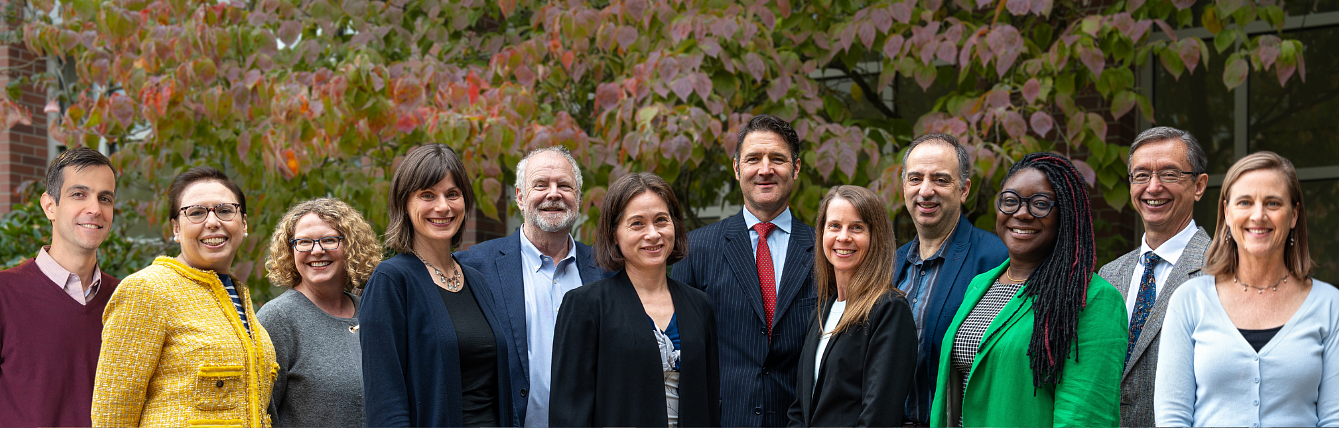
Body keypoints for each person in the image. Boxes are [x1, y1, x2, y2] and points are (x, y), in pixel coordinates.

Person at [930, 153, 1126, 426]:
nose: (1022, 213)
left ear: (1066, 215)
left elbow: (1085, 417)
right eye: (1010, 201)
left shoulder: (1092, 297)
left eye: (1040, 204)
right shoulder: (980, 285)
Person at [1154, 151, 1338, 427]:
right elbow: (1173, 418)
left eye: (1273, 203)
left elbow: (1334, 418)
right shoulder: (1189, 301)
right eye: (1245, 202)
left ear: (1294, 215)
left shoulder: (1330, 305)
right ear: (1227, 213)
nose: (1259, 215)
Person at [92, 166, 277, 426]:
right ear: (176, 228)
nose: (213, 222)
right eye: (197, 212)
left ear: (243, 223)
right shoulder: (148, 289)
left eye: (225, 210)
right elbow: (112, 413)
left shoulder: (237, 294)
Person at [670, 114, 814, 427]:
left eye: (777, 158)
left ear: (796, 168)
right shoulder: (694, 250)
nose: (765, 169)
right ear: (737, 169)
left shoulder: (825, 252)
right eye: (753, 159)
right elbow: (678, 350)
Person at [359, 143, 517, 427]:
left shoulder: (476, 280)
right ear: (405, 205)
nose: (442, 206)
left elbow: (499, 392)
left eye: (452, 194)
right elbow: (386, 405)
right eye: (427, 195)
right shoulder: (391, 281)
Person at [455, 146, 614, 427]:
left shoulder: (606, 271)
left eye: (564, 185)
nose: (553, 193)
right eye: (540, 185)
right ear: (519, 196)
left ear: (577, 198)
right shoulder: (473, 268)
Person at [550, 172, 720, 427]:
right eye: (637, 223)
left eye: (661, 220)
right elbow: (569, 414)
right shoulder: (585, 305)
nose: (653, 234)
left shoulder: (700, 305)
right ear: (614, 233)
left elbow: (709, 403)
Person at [1096, 126, 1211, 427]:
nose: (1153, 187)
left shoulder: (1224, 269)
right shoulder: (1109, 275)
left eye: (1170, 174)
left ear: (1199, 186)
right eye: (1142, 175)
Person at [893, 134, 1008, 425]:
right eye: (915, 178)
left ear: (964, 189)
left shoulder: (996, 260)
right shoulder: (889, 264)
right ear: (904, 185)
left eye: (941, 180)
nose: (926, 190)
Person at [0, 147, 119, 426]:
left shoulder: (126, 299)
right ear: (49, 206)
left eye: (105, 198)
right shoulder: (4, 294)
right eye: (79, 194)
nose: (95, 209)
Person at [787, 185, 918, 426]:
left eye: (856, 227)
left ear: (875, 237)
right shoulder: (822, 311)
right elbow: (800, 408)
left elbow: (878, 417)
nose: (843, 236)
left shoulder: (889, 310)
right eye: (834, 226)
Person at [257, 198, 382, 427]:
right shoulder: (278, 319)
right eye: (303, 242)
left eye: (329, 240)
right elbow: (260, 412)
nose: (317, 250)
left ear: (352, 246)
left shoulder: (371, 310)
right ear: (290, 250)